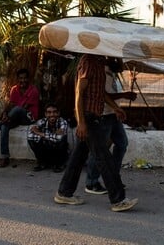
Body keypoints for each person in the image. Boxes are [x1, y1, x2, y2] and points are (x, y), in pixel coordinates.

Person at [54, 54, 137, 212]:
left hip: (95, 117)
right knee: (104, 158)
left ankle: (64, 192)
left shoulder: (99, 63)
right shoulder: (88, 61)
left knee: (78, 157)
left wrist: (116, 108)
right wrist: (81, 123)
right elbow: (79, 92)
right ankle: (118, 199)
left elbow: (101, 94)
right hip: (89, 118)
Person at [85, 57, 136, 194]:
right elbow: (103, 95)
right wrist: (124, 95)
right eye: (117, 59)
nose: (120, 64)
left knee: (121, 144)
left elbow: (109, 94)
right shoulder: (101, 71)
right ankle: (92, 181)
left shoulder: (111, 73)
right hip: (104, 114)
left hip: (112, 113)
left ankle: (112, 178)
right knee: (100, 149)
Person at [0, 68, 40, 167]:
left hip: (29, 117)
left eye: (25, 78)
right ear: (17, 79)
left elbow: (23, 108)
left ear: (28, 79)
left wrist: (9, 116)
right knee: (5, 126)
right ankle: (5, 157)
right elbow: (10, 105)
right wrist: (5, 114)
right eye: (20, 78)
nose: (23, 80)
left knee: (18, 109)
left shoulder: (33, 90)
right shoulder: (14, 89)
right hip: (16, 116)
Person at [27, 102, 69, 172]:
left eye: (54, 112)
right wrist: (52, 135)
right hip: (47, 150)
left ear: (58, 113)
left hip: (58, 153)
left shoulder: (63, 122)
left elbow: (59, 138)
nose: (52, 115)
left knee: (61, 141)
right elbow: (30, 136)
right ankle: (42, 163)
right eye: (49, 112)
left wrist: (39, 133)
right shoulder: (41, 121)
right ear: (45, 114)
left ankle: (59, 164)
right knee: (32, 141)